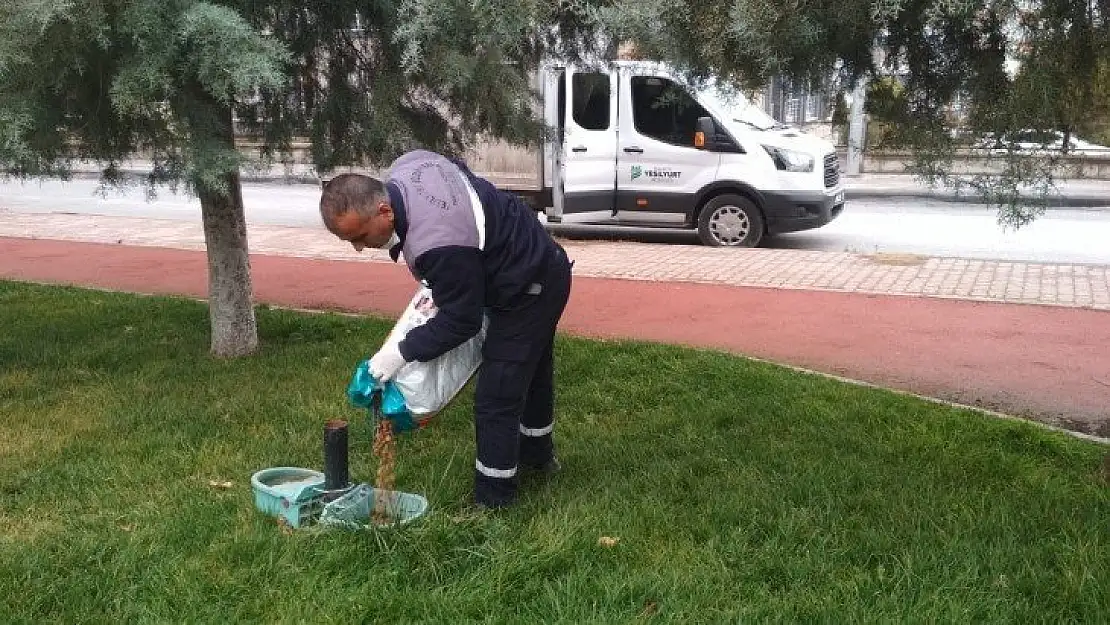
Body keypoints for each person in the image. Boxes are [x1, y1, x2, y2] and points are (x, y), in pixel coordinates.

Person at [318, 150, 573, 509]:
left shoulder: (439, 245)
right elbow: (455, 168)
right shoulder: (409, 165)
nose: (359, 248)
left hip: (530, 286)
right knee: (529, 371)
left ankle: (494, 501)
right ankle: (537, 458)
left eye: (359, 235)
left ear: (384, 211)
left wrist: (399, 353)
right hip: (535, 256)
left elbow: (462, 321)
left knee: (498, 393)